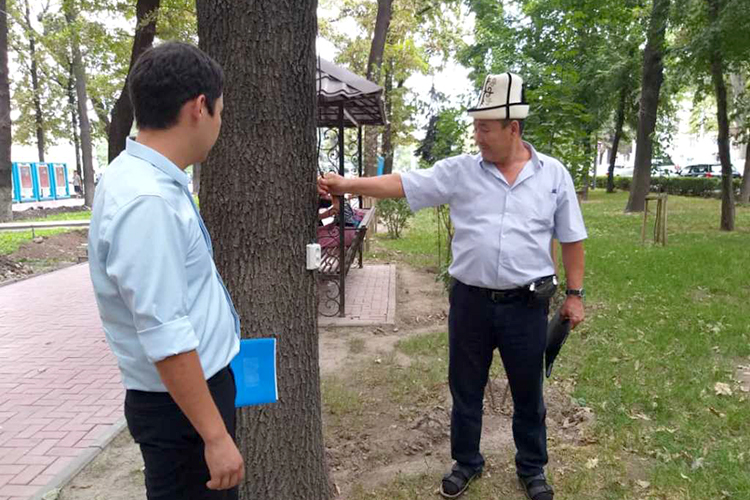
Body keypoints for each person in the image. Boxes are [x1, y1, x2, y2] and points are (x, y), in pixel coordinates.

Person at [319, 72, 586, 500]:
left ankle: (532, 468)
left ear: (513, 128)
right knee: (465, 387)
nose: (477, 136)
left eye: (485, 128)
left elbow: (571, 237)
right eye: (475, 126)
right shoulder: (461, 171)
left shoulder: (552, 175)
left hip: (526, 305)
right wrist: (347, 185)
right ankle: (466, 462)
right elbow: (404, 183)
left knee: (528, 391)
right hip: (470, 303)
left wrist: (574, 295)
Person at [87, 42, 244, 500]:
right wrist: (215, 436)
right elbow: (164, 332)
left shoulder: (145, 177)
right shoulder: (147, 202)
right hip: (183, 412)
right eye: (219, 112)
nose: (219, 123)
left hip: (188, 400)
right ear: (199, 107)